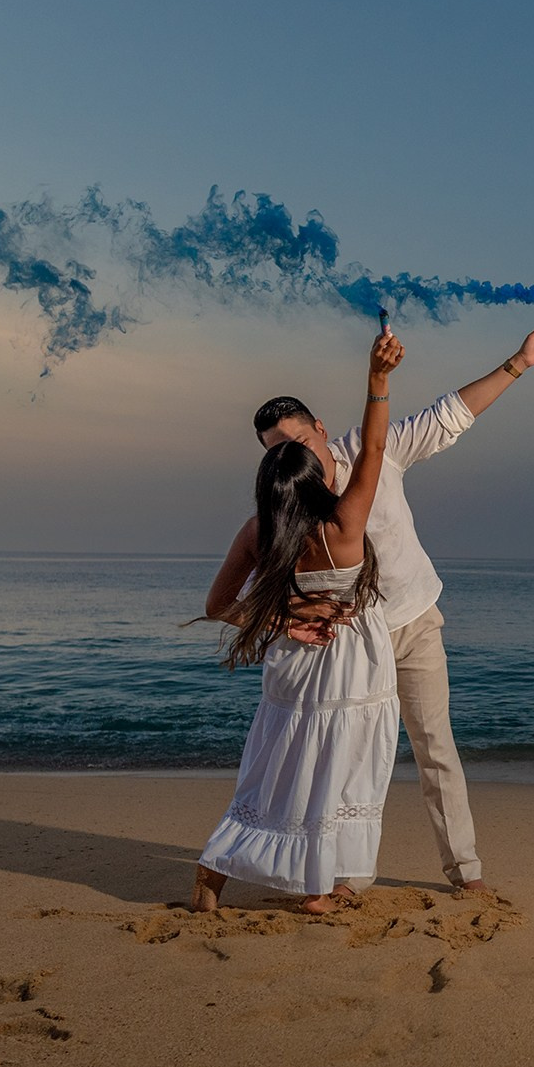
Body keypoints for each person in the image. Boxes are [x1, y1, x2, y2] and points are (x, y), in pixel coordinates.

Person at [252, 321, 534, 891]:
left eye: (300, 443)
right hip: (348, 647)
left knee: (435, 749)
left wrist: (520, 361)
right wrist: (290, 621)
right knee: (348, 762)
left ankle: (465, 872)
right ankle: (344, 876)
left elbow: (451, 414)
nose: (296, 458)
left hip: (413, 624)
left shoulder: (375, 452)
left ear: (320, 429)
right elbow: (263, 592)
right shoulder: (286, 506)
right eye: (278, 454)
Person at [190, 329, 402, 915]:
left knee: (277, 768)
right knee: (341, 766)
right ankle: (318, 889)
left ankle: (215, 871)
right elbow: (376, 451)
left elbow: (218, 606)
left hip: (294, 664)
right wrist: (378, 380)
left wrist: (283, 617)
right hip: (354, 660)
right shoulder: (344, 524)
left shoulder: (259, 531)